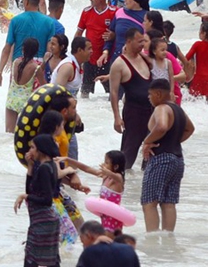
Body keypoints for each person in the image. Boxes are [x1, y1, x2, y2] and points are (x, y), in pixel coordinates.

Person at [141, 79, 195, 232]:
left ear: (158, 94)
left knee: (149, 202)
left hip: (161, 159)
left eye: (150, 95)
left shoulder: (161, 108)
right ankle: (167, 240)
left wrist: (147, 141)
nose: (149, 98)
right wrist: (173, 141)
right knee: (168, 203)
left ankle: (152, 239)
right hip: (177, 159)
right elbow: (190, 129)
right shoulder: (178, 109)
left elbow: (162, 126)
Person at [108, 28, 153, 170]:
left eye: (144, 41)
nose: (143, 44)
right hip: (134, 113)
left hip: (152, 112)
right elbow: (114, 92)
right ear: (128, 41)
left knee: (151, 151)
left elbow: (157, 66)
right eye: (139, 41)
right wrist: (116, 117)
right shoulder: (119, 64)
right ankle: (120, 184)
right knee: (128, 154)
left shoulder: (144, 58)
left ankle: (144, 184)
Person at [14, 134, 61, 267]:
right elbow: (31, 191)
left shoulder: (45, 168)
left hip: (43, 221)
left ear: (41, 149)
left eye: (33, 147)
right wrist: (30, 167)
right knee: (51, 261)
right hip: (45, 220)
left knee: (31, 259)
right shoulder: (47, 165)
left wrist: (25, 197)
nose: (30, 151)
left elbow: (47, 199)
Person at [0, 0, 56, 88]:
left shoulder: (16, 20)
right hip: (38, 66)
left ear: (26, 2)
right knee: (35, 101)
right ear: (39, 2)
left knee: (16, 98)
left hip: (18, 65)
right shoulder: (49, 22)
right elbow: (50, 51)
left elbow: (7, 48)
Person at [62, 150, 126, 232]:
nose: (103, 164)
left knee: (110, 238)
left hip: (114, 217)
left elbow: (117, 177)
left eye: (106, 162)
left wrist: (107, 171)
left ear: (116, 167)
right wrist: (68, 159)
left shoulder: (117, 179)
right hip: (105, 216)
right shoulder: (106, 176)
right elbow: (87, 169)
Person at [75, 0, 116, 99]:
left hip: (107, 59)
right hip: (89, 60)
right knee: (84, 93)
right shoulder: (86, 12)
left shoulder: (113, 12)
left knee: (112, 93)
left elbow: (121, 34)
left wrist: (113, 35)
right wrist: (74, 55)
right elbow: (78, 33)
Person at [4, 38, 45, 132]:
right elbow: (44, 86)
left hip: (11, 99)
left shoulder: (15, 62)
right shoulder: (36, 67)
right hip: (25, 102)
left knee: (9, 132)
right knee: (23, 133)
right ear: (36, 51)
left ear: (23, 49)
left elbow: (11, 82)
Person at [76, 221, 141, 267]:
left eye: (82, 240)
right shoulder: (128, 249)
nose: (83, 245)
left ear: (89, 236)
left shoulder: (89, 252)